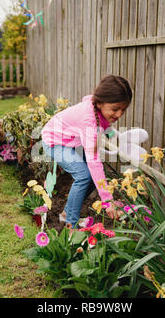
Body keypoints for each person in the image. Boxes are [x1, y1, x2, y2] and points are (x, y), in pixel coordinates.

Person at [41, 75, 132, 228]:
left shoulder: (97, 108)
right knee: (84, 176)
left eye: (123, 109)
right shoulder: (88, 120)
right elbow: (94, 162)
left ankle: (66, 214)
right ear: (100, 102)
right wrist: (107, 201)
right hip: (55, 141)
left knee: (90, 178)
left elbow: (104, 124)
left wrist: (115, 136)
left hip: (70, 140)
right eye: (115, 109)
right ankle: (71, 227)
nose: (119, 114)